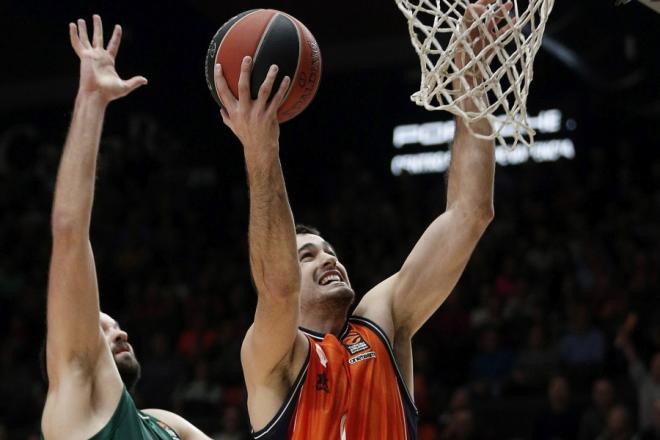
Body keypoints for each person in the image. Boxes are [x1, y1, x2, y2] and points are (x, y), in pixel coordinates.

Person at [213, 1, 508, 438]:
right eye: (308, 256)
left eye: (329, 251)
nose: (328, 259)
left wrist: (471, 73)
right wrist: (261, 150)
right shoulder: (273, 357)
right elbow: (277, 287)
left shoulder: (382, 319)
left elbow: (470, 212)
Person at [40, 15, 211, 440]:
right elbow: (69, 233)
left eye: (113, 323)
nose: (120, 330)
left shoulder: (166, 425)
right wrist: (91, 101)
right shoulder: (74, 403)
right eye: (101, 326)